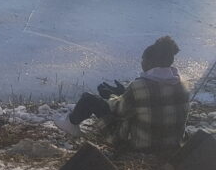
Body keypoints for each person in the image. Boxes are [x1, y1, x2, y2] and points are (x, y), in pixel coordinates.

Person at [54, 36, 188, 153]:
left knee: (88, 99)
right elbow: (152, 101)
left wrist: (110, 96)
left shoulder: (139, 87)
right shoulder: (182, 85)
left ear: (151, 62)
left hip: (142, 146)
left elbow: (118, 110)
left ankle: (71, 124)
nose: (141, 63)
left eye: (143, 59)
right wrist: (124, 93)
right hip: (171, 145)